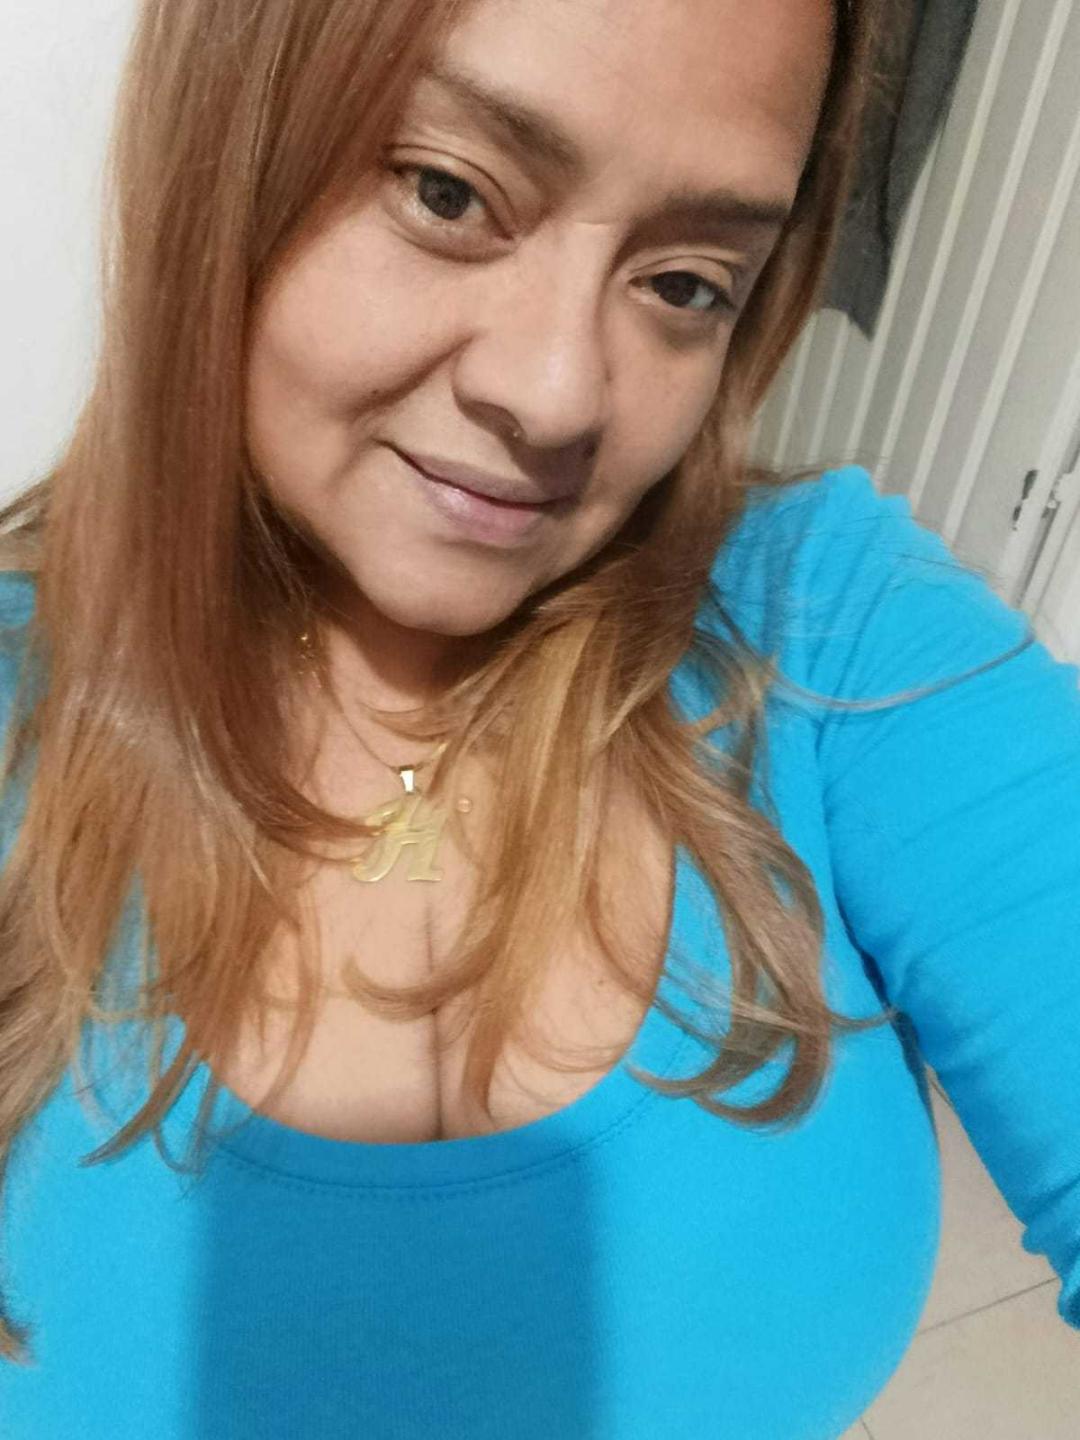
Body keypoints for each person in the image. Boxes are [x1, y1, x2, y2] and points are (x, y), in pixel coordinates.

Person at [0, 0, 1077, 1436]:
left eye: (686, 282)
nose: (559, 394)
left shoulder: (835, 634)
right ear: (226, 142)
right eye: (449, 194)